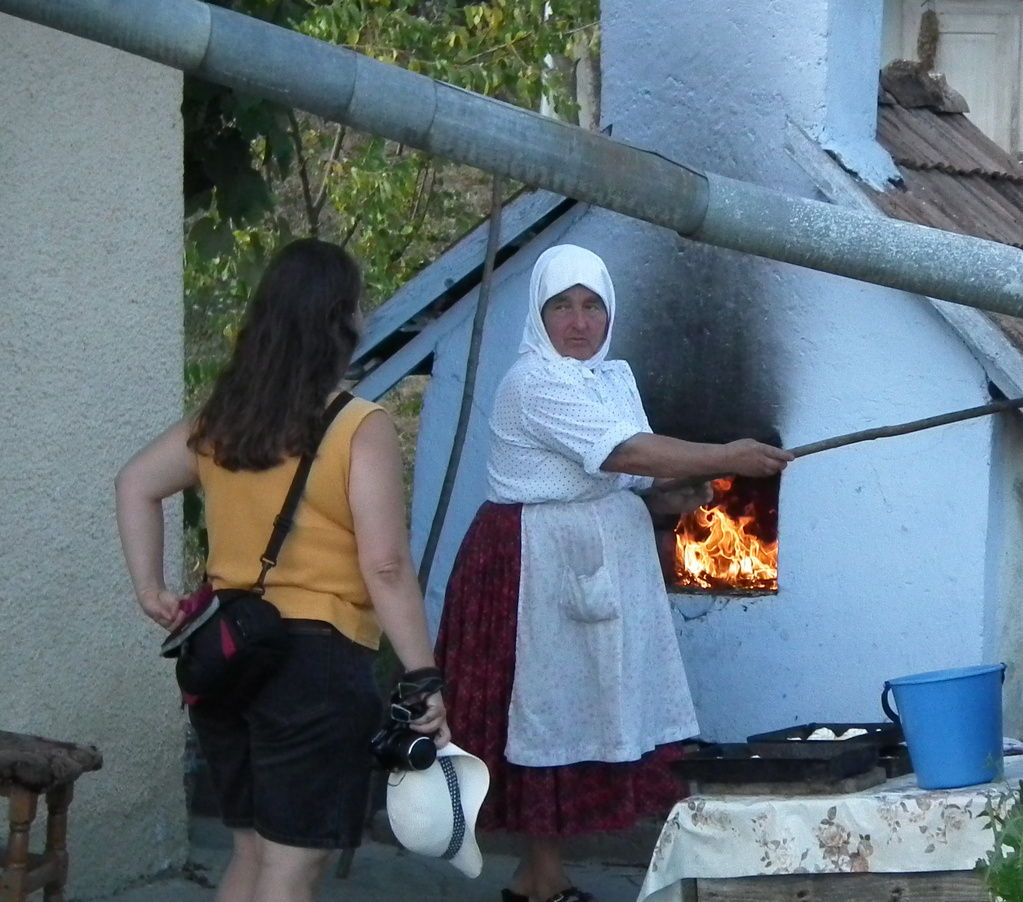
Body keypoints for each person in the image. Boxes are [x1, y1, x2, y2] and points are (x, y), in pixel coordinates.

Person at [435, 244, 792, 902]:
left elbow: (620, 479)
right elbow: (623, 451)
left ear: (609, 313)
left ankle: (542, 878)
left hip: (590, 563)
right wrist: (727, 455)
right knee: (540, 711)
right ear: (539, 317)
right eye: (562, 307)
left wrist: (665, 500)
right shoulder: (533, 382)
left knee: (579, 707)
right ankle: (540, 877)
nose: (578, 321)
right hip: (530, 570)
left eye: (592, 305)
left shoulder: (608, 380)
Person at [114, 238, 449, 902]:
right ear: (344, 319)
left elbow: (135, 483)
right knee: (293, 867)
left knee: (253, 853)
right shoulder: (358, 426)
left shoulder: (223, 423)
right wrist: (421, 676)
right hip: (315, 670)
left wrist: (151, 589)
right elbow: (383, 565)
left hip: (224, 658)